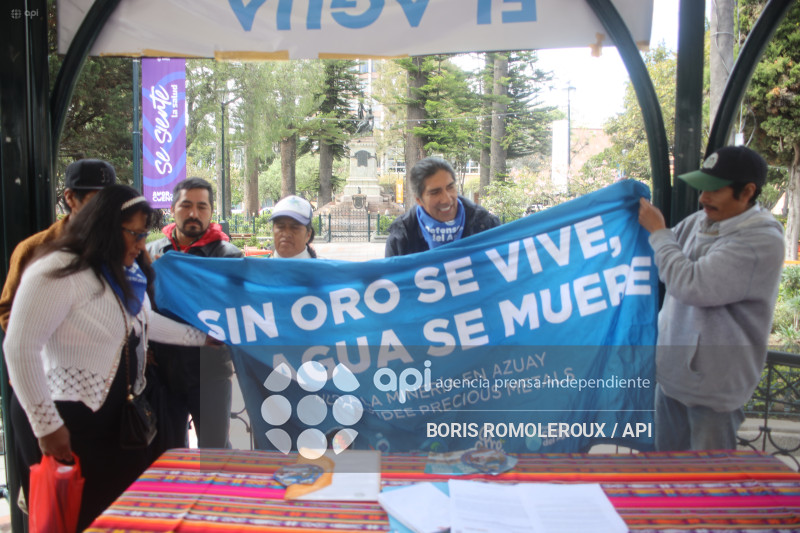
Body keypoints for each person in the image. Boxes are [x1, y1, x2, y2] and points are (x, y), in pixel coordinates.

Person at [3, 185, 211, 531]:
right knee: (75, 518)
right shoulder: (58, 271)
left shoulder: (120, 272)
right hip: (67, 419)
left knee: (117, 516)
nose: (141, 243)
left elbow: (146, 322)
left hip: (116, 419)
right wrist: (47, 426)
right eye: (135, 233)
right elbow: (20, 347)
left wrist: (204, 338)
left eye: (144, 234)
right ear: (105, 228)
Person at [638, 145, 784, 451]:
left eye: (715, 190)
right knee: (667, 480)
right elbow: (658, 254)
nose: (703, 198)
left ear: (747, 192)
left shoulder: (760, 240)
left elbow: (691, 284)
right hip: (671, 380)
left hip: (714, 391)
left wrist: (660, 232)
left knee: (706, 485)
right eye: (702, 188)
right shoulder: (698, 222)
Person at [147, 177, 242, 450]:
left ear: (212, 212)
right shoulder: (152, 255)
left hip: (210, 370)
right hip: (161, 371)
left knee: (215, 452)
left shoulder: (229, 258)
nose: (193, 214)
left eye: (202, 207)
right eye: (186, 205)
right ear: (172, 209)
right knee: (166, 452)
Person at [0, 158, 116, 331]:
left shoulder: (123, 243)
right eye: (96, 200)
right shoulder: (33, 249)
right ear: (70, 198)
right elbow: (9, 312)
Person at [385, 157, 500, 256]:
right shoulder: (401, 238)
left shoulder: (486, 225)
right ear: (419, 200)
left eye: (450, 187)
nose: (446, 199)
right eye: (435, 192)